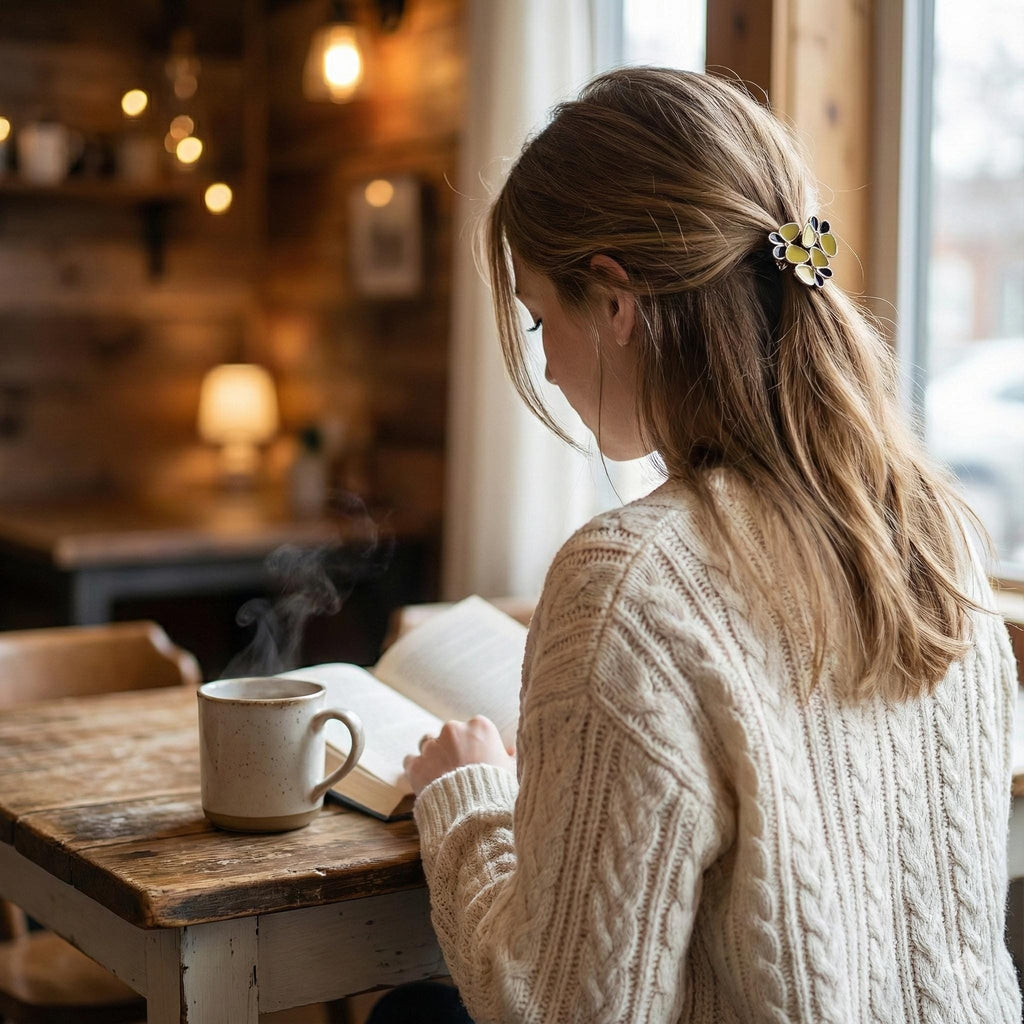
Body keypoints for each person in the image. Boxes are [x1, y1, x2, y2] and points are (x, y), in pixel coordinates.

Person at [389, 67, 1021, 1023]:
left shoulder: (631, 578)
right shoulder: (938, 539)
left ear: (613, 300)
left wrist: (469, 798)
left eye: (537, 317)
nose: (547, 363)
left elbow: (555, 1008)